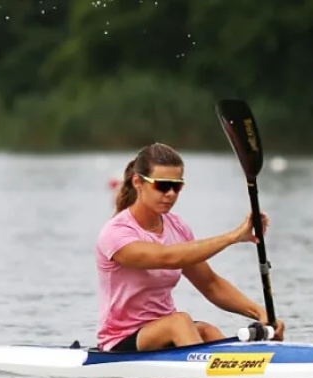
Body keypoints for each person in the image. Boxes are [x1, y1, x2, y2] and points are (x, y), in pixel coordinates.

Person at [95, 142, 286, 352]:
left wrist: (261, 314)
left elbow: (211, 284)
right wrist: (233, 236)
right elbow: (167, 258)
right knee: (180, 322)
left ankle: (248, 366)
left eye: (176, 186)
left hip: (165, 331)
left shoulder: (177, 227)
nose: (170, 193)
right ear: (138, 182)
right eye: (162, 185)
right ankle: (210, 368)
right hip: (120, 341)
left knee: (207, 331)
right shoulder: (116, 232)